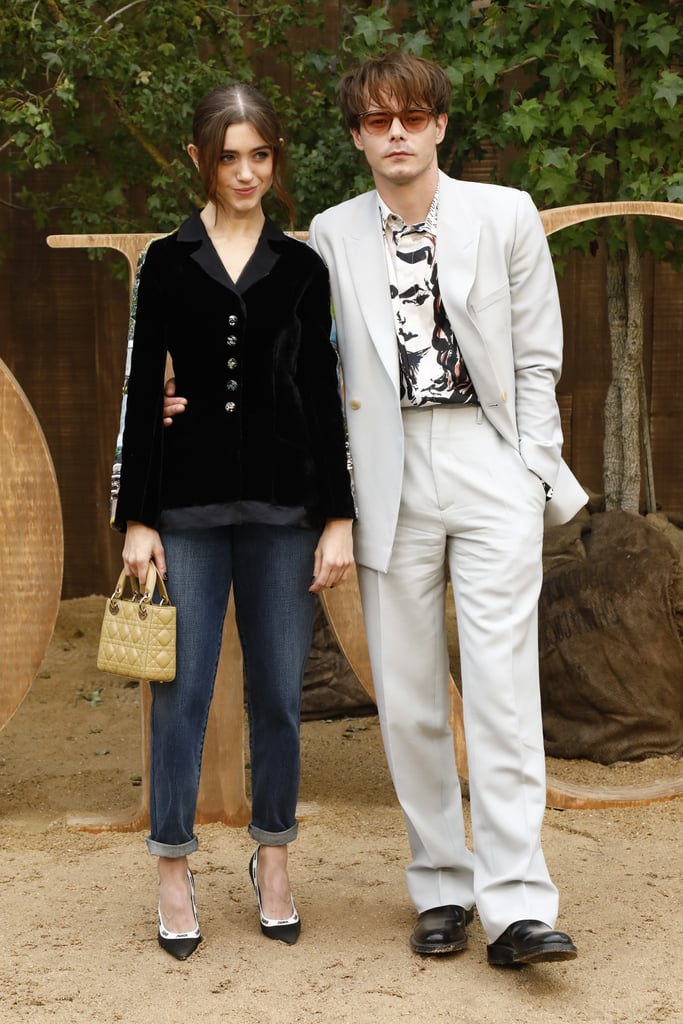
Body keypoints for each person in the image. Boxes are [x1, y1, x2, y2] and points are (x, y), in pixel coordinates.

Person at [165, 53, 587, 966]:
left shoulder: (505, 214)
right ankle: (441, 887)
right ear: (356, 137)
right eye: (376, 120)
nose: (396, 133)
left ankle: (517, 904)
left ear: (438, 125)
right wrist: (185, 393)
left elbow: (538, 355)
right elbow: (295, 364)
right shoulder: (329, 231)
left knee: (504, 692)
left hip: (489, 457)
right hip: (385, 466)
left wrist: (529, 469)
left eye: (412, 116)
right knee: (406, 701)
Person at [114, 82, 355, 961]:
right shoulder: (167, 263)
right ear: (199, 160)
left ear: (275, 156)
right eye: (228, 156)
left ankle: (274, 858)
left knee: (280, 700)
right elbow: (147, 391)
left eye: (260, 155)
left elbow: (322, 399)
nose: (246, 172)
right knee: (178, 698)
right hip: (182, 509)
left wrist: (338, 515)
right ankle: (173, 869)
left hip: (287, 513)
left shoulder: (302, 267)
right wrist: (136, 517)